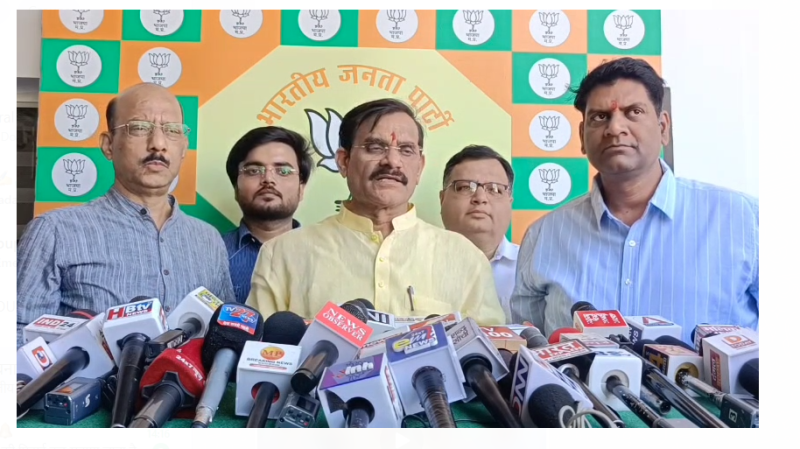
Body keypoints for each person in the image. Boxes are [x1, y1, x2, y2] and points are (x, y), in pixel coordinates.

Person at [509, 58, 759, 343]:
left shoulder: (744, 220)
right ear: (581, 137)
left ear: (663, 127)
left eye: (634, 112)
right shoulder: (544, 236)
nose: (615, 128)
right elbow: (530, 349)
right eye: (600, 117)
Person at [245, 98, 505, 324]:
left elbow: (491, 353)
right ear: (344, 161)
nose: (392, 161)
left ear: (420, 167)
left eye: (406, 150)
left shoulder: (466, 259)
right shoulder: (283, 254)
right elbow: (262, 355)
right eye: (375, 148)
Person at [16, 83, 234, 347]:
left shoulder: (208, 240)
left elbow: (223, 339)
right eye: (139, 128)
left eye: (172, 130)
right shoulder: (56, 231)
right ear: (108, 145)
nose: (158, 144)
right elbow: (19, 335)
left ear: (184, 148)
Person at [222, 126, 313, 303]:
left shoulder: (324, 254)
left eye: (283, 171)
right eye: (253, 171)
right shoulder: (214, 254)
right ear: (236, 188)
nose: (268, 180)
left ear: (301, 189)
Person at [440, 145, 519, 322]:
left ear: (510, 203)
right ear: (442, 199)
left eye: (495, 189)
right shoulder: (416, 261)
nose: (480, 198)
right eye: (465, 187)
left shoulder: (531, 268)